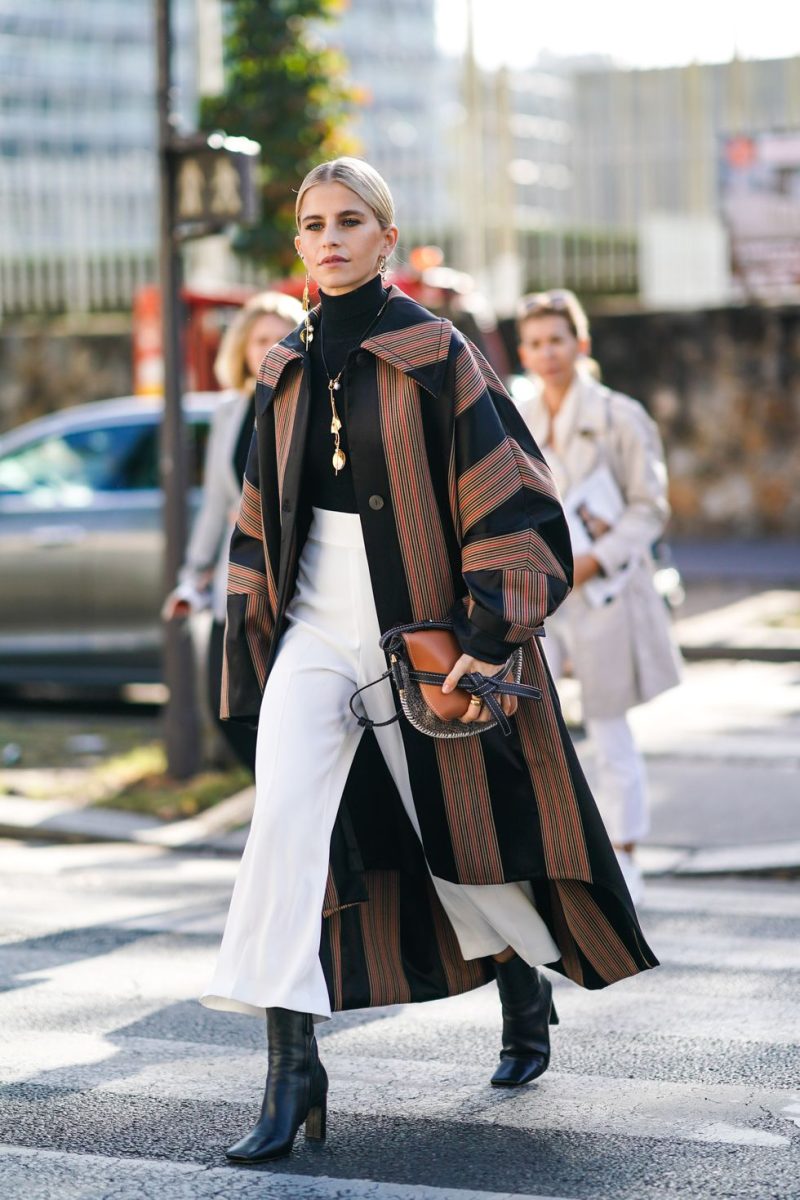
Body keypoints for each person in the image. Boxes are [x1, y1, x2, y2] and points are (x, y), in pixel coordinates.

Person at [200, 159, 657, 1164]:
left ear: (385, 237)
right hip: (314, 630)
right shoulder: (279, 366)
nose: (328, 238)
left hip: (419, 632)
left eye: (349, 221)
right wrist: (241, 633)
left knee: (449, 831)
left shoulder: (434, 351)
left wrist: (491, 635)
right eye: (312, 223)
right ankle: (292, 1069)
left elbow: (514, 496)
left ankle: (520, 979)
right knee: (282, 822)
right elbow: (252, 522)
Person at [513, 289, 682, 903]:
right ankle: (558, 863)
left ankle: (626, 857)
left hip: (605, 590)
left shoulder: (620, 415)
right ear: (524, 351)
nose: (546, 352)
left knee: (610, 732)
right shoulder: (518, 415)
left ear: (579, 344)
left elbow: (650, 507)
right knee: (538, 733)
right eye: (534, 342)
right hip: (543, 598)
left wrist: (593, 560)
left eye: (557, 339)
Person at [162, 291, 302, 770]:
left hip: (292, 579)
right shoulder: (229, 411)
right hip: (235, 577)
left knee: (288, 710)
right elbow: (216, 503)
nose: (269, 348)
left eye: (279, 338)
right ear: (242, 348)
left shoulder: (310, 404)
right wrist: (194, 575)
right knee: (226, 707)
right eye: (259, 339)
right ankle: (273, 801)